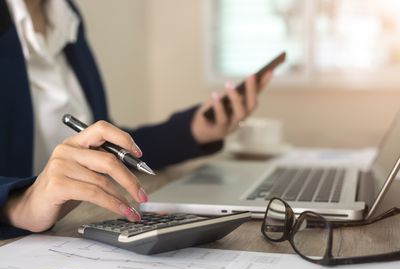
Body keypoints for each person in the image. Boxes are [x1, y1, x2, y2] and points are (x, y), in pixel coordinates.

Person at [0, 0, 272, 238]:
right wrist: (18, 204)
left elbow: (106, 145)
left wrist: (194, 130)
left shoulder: (66, 14)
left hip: (76, 224)